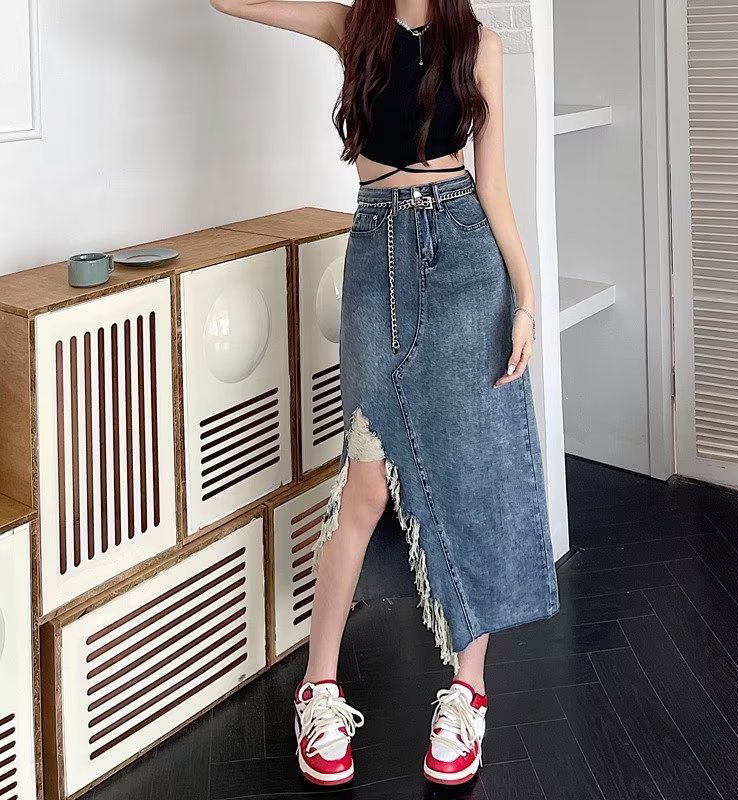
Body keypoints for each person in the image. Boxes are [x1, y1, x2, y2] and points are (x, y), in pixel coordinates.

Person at [210, 0, 560, 787]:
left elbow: (494, 184)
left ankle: (468, 691)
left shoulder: (480, 44)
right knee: (366, 481)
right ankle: (318, 689)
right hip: (377, 254)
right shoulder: (350, 25)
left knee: (471, 475)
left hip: (467, 258)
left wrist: (526, 299)